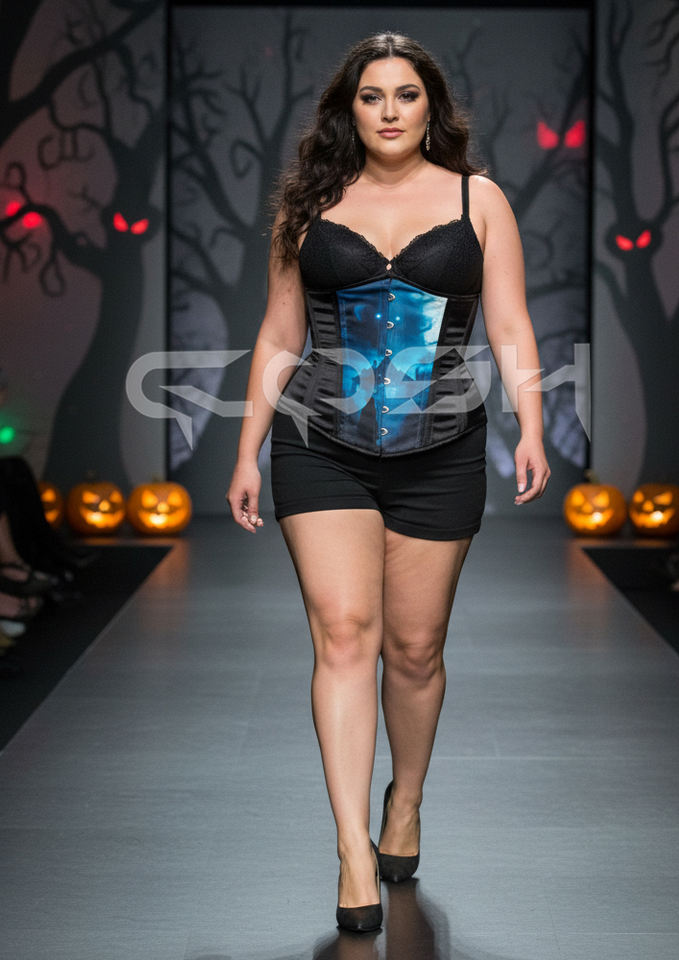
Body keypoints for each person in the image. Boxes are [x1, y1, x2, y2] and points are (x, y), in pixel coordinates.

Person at [225, 33, 550, 933]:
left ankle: (404, 801)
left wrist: (532, 423)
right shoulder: (310, 202)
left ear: (431, 105)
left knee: (414, 649)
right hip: (319, 441)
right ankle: (351, 850)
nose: (391, 111)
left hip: (441, 446)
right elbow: (280, 332)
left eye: (407, 94)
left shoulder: (478, 200)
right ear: (350, 109)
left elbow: (511, 324)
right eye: (372, 96)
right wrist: (247, 450)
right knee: (344, 635)